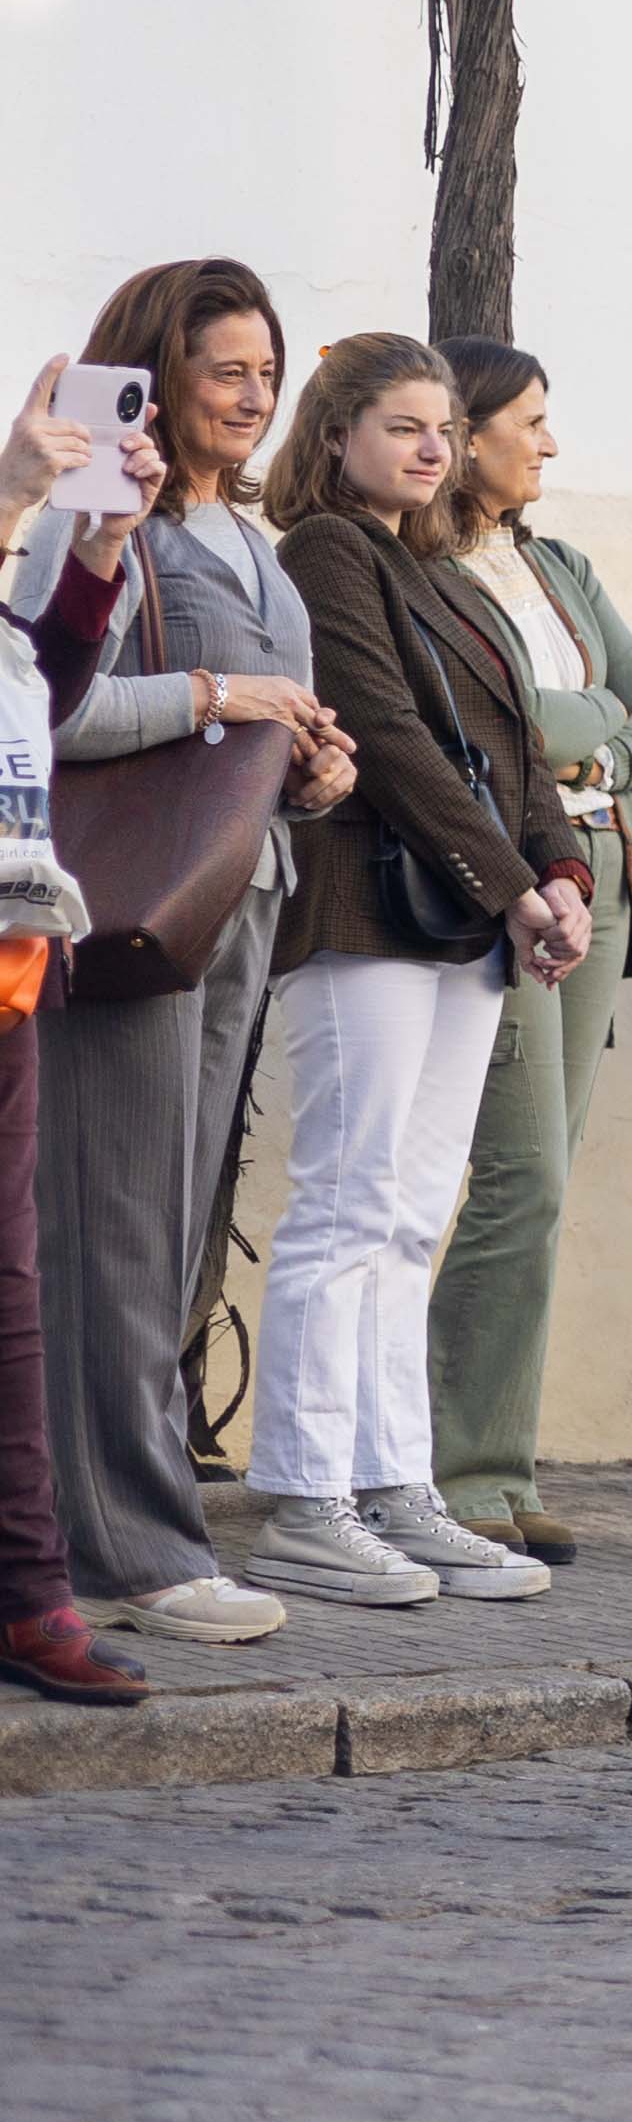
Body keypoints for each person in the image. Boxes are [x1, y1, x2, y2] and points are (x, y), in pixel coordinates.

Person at [22, 259, 346, 1644]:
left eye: (268, 372)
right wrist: (218, 693)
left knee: (177, 1226)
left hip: (239, 889)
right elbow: (45, 701)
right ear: (155, 373)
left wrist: (310, 765)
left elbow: (265, 724)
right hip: (126, 905)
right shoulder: (99, 510)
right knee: (113, 1230)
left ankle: (142, 1527)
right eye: (227, 370)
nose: (255, 396)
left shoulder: (253, 540)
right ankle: (131, 1554)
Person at [254, 334, 592, 1611]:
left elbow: (514, 746)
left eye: (444, 427)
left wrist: (560, 877)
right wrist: (513, 887)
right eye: (403, 426)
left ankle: (397, 1484)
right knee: (346, 1204)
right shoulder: (329, 551)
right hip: (369, 910)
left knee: (408, 1214)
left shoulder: (440, 568)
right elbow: (385, 732)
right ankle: (304, 1496)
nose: (434, 449)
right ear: (336, 434)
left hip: (460, 921)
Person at [420, 340, 632, 1565]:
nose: (550, 441)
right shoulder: (422, 568)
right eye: (531, 419)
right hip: (506, 896)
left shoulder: (558, 564)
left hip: (608, 888)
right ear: (467, 436)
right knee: (517, 1182)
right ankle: (460, 1471)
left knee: (549, 1188)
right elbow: (501, 724)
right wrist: (581, 737)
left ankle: (502, 1466)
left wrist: (599, 756)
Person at [0, 362, 158, 1700]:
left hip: (7, 943)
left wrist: (98, 545)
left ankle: (26, 1590)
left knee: (8, 1285)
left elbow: (27, 697)